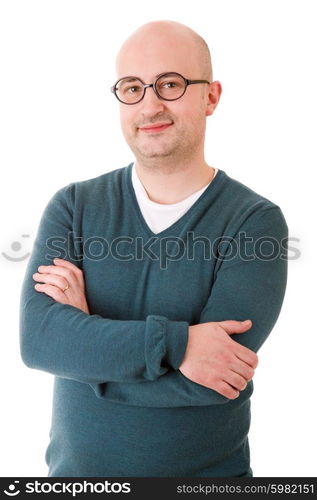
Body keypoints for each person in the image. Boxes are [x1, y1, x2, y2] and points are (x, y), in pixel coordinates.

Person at [19, 20, 288, 477]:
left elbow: (214, 380)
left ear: (211, 96)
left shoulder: (254, 222)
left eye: (171, 83)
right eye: (132, 87)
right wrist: (181, 346)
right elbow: (41, 342)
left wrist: (87, 348)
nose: (150, 104)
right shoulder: (74, 206)